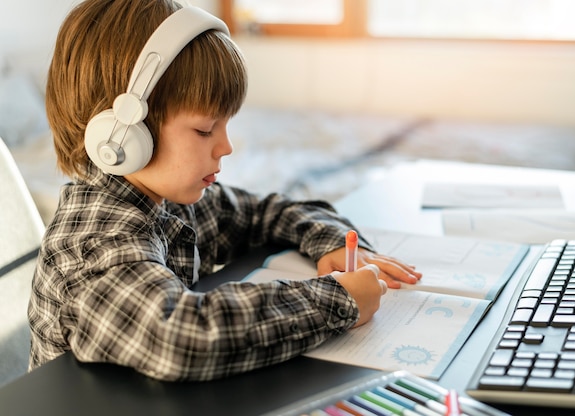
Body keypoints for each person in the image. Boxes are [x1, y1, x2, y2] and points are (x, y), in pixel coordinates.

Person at [28, 0, 421, 382]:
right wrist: (338, 299)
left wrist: (331, 241)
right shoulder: (96, 244)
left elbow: (265, 212)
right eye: (204, 129)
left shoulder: (170, 203)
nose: (226, 147)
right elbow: (182, 336)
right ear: (123, 134)